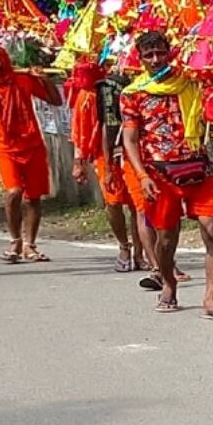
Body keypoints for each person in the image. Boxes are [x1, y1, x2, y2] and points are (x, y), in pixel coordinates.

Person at [120, 31, 213, 319]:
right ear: (141, 59)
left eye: (161, 52)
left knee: (212, 231)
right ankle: (168, 283)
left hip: (200, 169)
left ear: (170, 52)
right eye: (149, 55)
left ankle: (211, 298)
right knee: (166, 239)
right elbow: (130, 140)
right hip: (160, 175)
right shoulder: (133, 94)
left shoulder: (192, 81)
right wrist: (142, 176)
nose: (157, 59)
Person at [0, 42, 61, 264]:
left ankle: (30, 245)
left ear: (1, 55)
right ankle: (14, 240)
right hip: (5, 147)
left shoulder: (23, 79)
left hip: (33, 145)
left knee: (34, 198)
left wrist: (44, 79)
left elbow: (56, 101)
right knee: (13, 192)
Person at [69, 62, 148, 273]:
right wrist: (79, 161)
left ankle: (141, 252)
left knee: (138, 206)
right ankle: (124, 246)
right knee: (113, 204)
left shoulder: (139, 86)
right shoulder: (88, 97)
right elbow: (81, 131)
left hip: (135, 153)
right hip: (106, 156)